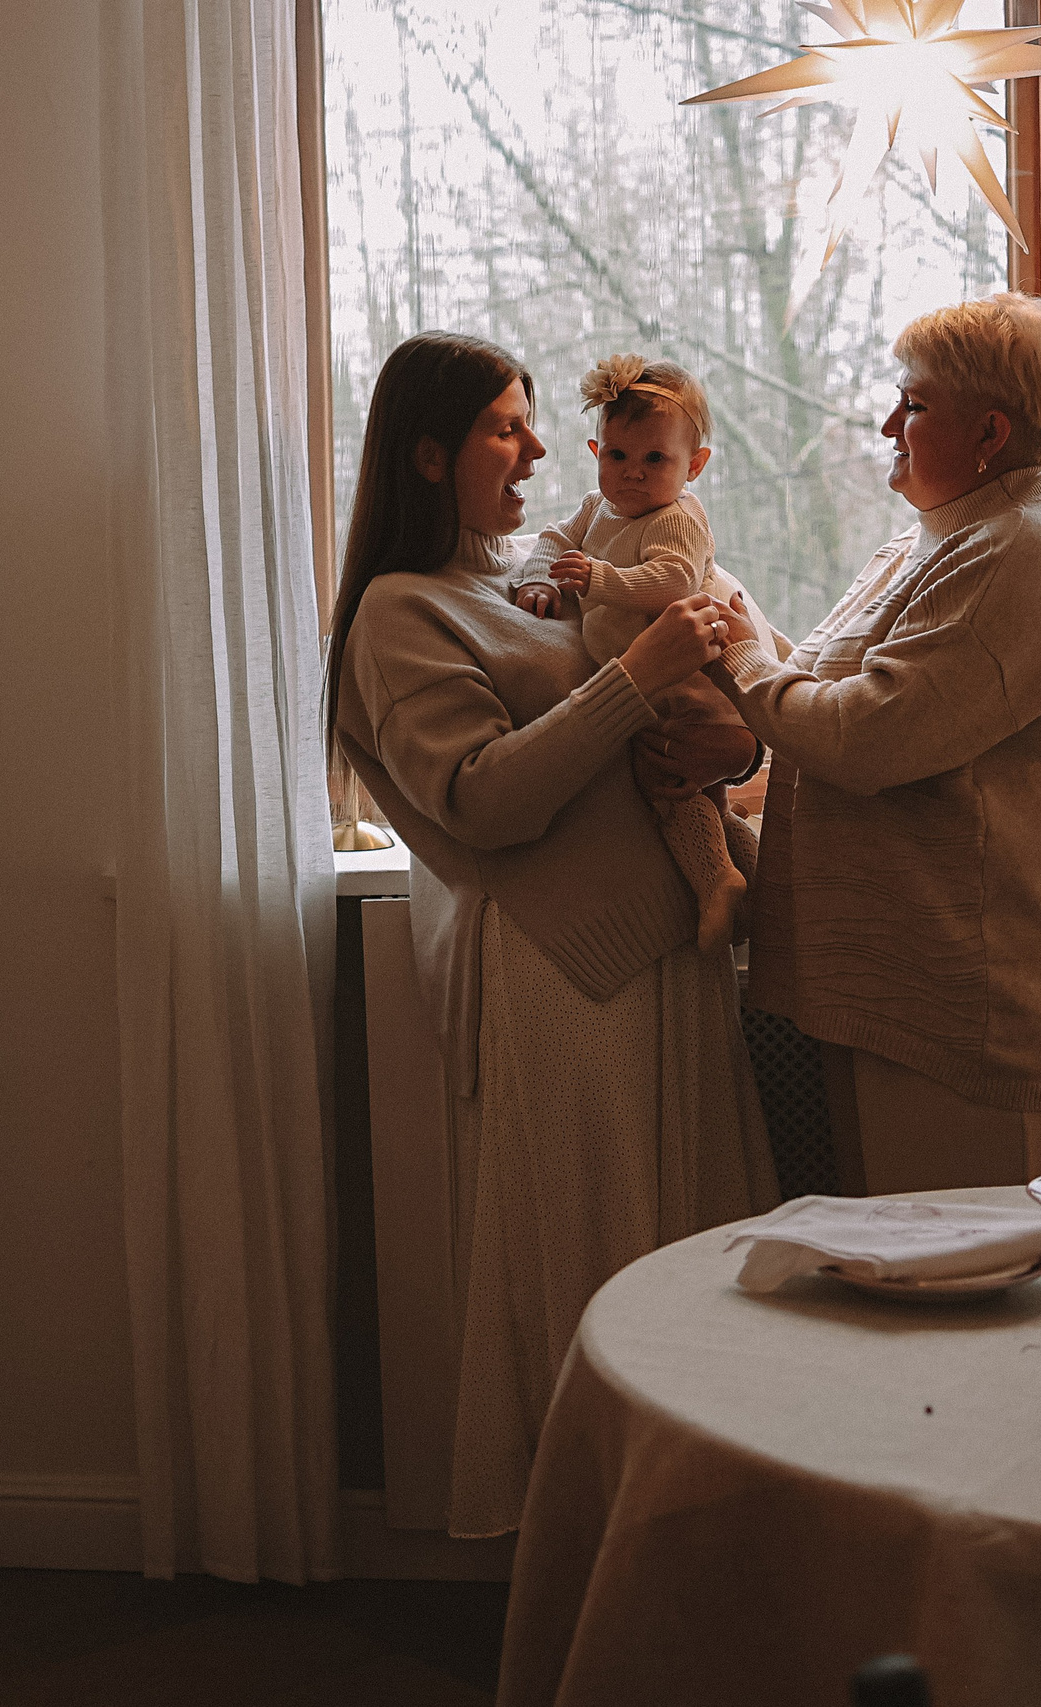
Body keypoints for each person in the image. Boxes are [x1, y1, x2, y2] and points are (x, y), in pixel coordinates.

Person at [330, 332, 776, 1539]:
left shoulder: (522, 579)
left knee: (688, 1266)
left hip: (664, 953)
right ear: (430, 455)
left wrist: (733, 741)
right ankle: (596, 1569)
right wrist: (636, 675)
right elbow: (481, 798)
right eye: (506, 428)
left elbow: (659, 740)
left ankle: (690, 1558)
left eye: (531, 425)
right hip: (565, 974)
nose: (538, 452)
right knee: (595, 1270)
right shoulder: (397, 612)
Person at [710, 291, 1041, 1194]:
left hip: (973, 1016)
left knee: (974, 1310)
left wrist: (736, 657)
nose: (889, 420)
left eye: (915, 402)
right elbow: (812, 692)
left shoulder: (1022, 555)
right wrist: (724, 618)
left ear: (989, 432)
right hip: (905, 1000)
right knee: (899, 1304)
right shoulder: (935, 541)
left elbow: (861, 734)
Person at [511, 355, 757, 951]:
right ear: (597, 452)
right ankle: (754, 876)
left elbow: (673, 580)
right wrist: (538, 580)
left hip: (681, 679)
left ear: (693, 466)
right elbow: (552, 540)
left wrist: (598, 580)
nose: (634, 475)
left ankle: (720, 882)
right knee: (700, 800)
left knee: (672, 788)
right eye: (618, 457)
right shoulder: (599, 510)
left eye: (656, 460)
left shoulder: (678, 517)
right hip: (641, 679)